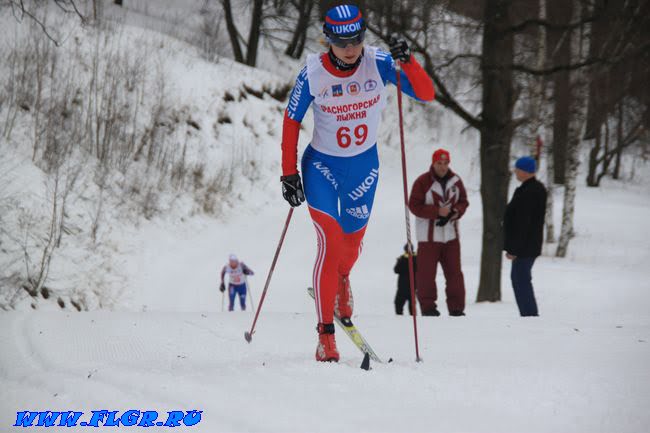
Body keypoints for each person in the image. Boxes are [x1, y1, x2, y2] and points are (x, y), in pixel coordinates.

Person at [279, 4, 435, 361]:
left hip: (364, 169)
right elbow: (291, 121)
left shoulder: (379, 63)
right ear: (328, 40)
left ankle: (342, 280)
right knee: (330, 243)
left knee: (350, 248)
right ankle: (325, 335)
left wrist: (408, 61)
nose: (350, 49)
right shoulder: (313, 72)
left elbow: (426, 94)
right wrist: (288, 173)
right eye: (341, 42)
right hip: (322, 168)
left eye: (356, 40)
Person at [408, 148, 469, 316]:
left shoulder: (456, 181)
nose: (443, 167)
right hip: (428, 238)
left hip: (451, 236)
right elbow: (414, 205)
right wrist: (436, 212)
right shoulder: (422, 182)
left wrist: (456, 211)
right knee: (426, 275)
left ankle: (457, 309)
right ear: (433, 163)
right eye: (439, 163)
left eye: (445, 163)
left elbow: (463, 201)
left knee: (455, 274)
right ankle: (428, 308)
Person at [503, 156, 547, 317]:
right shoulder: (529, 189)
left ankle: (529, 315)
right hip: (526, 245)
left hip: (525, 246)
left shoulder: (531, 191)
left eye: (517, 169)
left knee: (520, 279)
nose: (515, 172)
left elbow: (523, 223)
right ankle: (528, 314)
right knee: (519, 278)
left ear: (525, 171)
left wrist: (514, 249)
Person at [393, 244, 417, 315]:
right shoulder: (417, 258)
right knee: (411, 304)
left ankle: (400, 316)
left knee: (399, 303)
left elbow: (396, 270)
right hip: (413, 285)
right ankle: (412, 316)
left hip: (403, 286)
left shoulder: (403, 259)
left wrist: (399, 261)